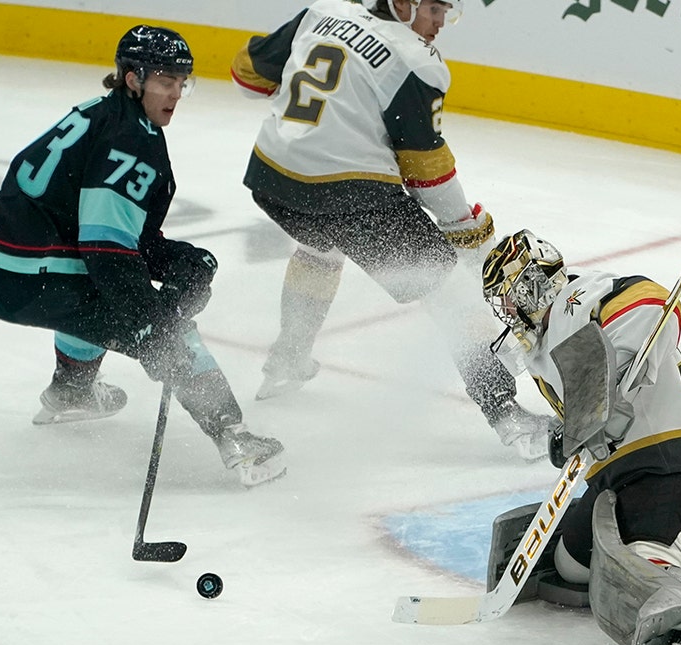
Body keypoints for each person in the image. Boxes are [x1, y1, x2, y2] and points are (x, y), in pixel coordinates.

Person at [229, 0, 550, 460]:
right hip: (352, 199)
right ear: (403, 4)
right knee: (449, 295)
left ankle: (286, 359)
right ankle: (508, 416)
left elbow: (247, 75)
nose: (441, 23)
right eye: (435, 9)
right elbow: (424, 169)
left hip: (272, 179)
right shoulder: (415, 61)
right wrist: (465, 227)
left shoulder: (321, 11)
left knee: (320, 248)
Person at [0, 25, 286, 487]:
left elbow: (104, 234)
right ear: (133, 78)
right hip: (29, 274)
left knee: (107, 294)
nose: (176, 92)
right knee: (156, 320)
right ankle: (236, 440)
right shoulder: (129, 141)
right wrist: (154, 329)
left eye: (182, 81)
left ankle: (72, 390)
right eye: (164, 80)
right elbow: (108, 253)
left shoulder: (105, 114)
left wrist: (177, 260)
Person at [481, 230, 681, 645]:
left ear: (532, 284)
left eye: (509, 298)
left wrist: (616, 372)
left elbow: (654, 304)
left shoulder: (578, 298)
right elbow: (587, 415)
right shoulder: (545, 344)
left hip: (678, 459)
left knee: (642, 567)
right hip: (625, 477)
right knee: (572, 566)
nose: (506, 313)